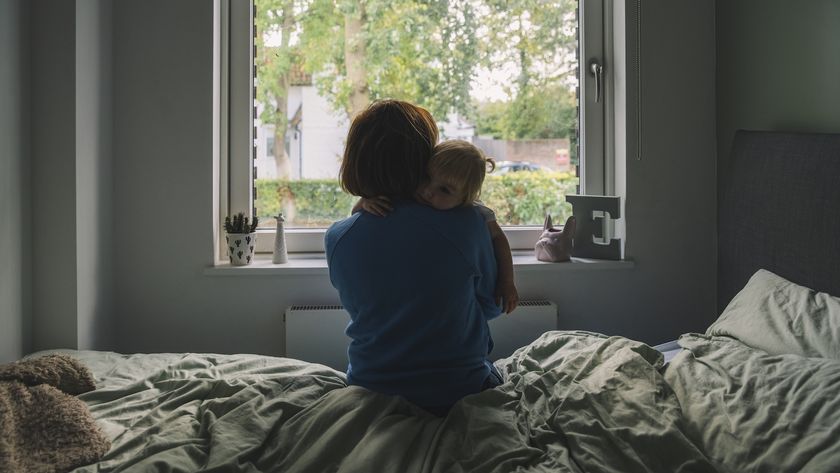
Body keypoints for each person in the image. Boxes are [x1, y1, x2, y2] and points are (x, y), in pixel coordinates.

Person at [325, 100, 504, 416]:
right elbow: (492, 304)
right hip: (458, 390)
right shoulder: (469, 224)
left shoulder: (338, 237)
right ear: (424, 159)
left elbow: (369, 311)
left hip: (370, 388)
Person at [353, 140, 519, 314]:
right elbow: (355, 217)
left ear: (465, 198)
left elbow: (499, 239)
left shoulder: (478, 213)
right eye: (426, 177)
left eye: (445, 190)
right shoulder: (405, 195)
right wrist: (365, 202)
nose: (428, 190)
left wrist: (506, 282)